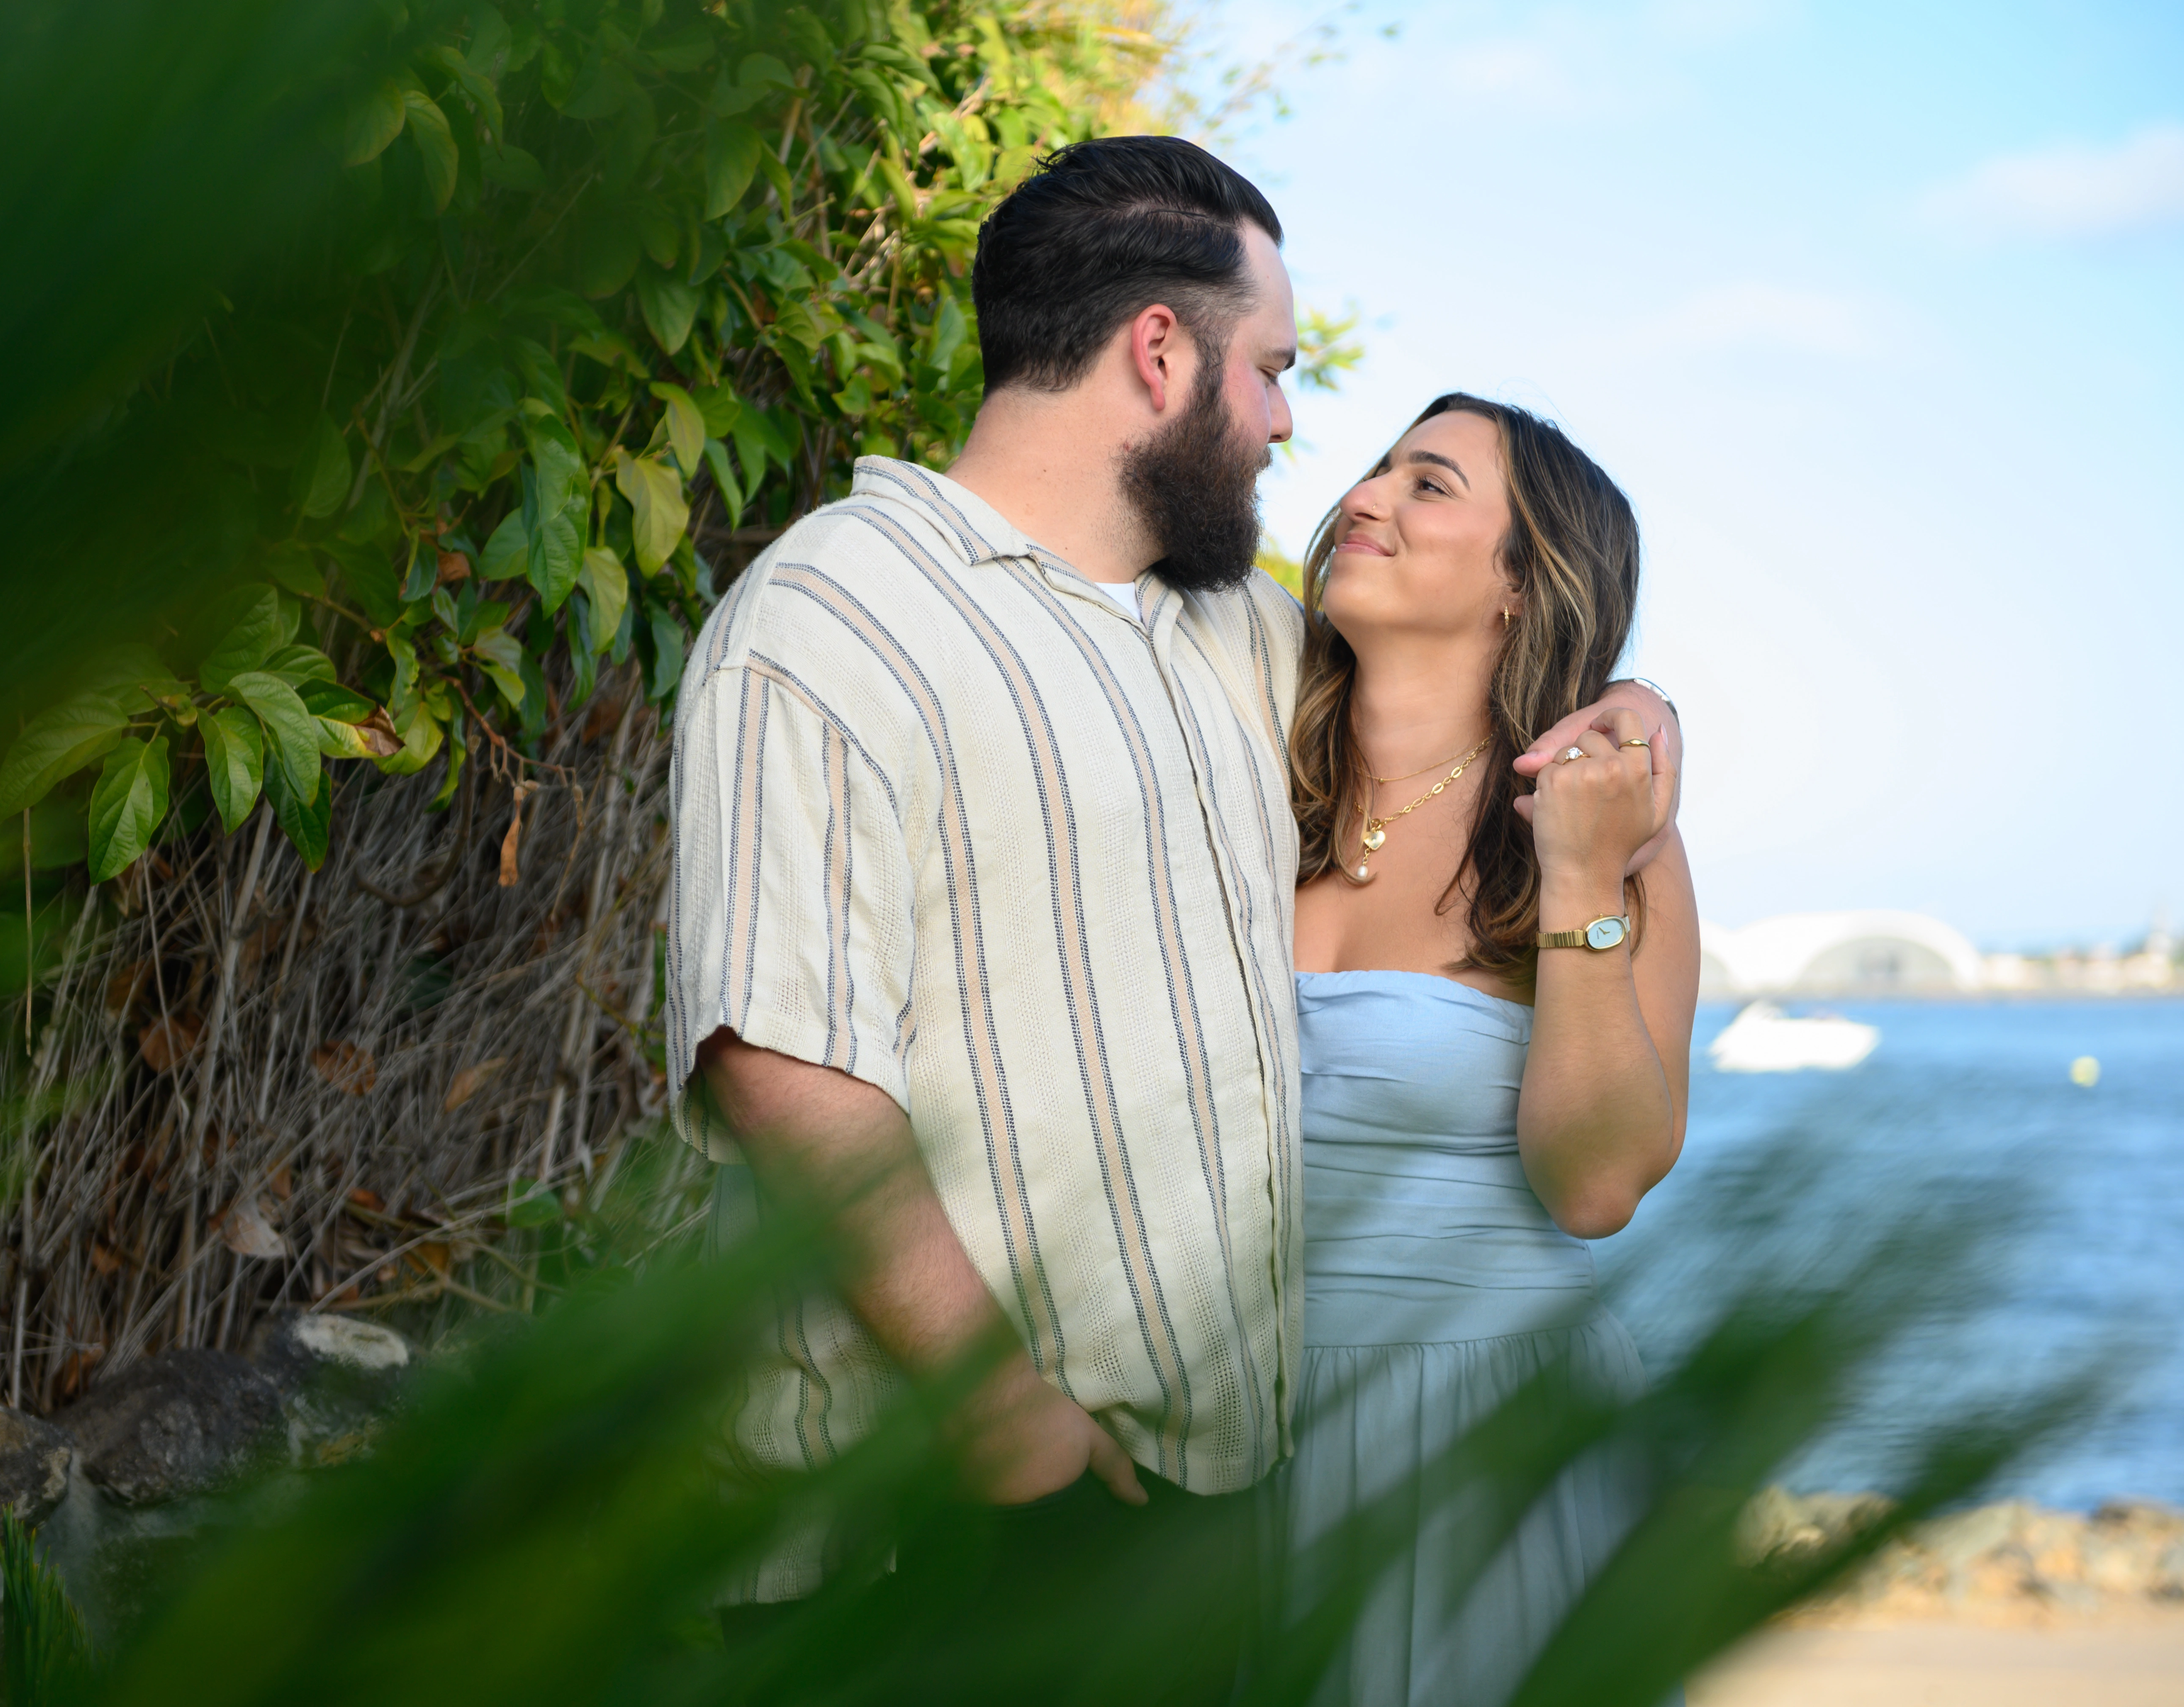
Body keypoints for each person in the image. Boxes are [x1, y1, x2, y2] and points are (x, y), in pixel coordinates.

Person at [662, 136, 1678, 1664]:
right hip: (926, 1504)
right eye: (1268, 370)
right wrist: (1003, 1415)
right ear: (1159, 354)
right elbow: (777, 1062)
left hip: (1202, 1505)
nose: (1291, 425)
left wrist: (1637, 711)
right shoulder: (831, 616)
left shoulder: (1228, 641)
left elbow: (1458, 701)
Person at [1279, 395, 1698, 1707]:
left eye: (1430, 485)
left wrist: (1579, 871)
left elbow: (1597, 1188)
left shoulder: (1616, 837)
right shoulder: (1233, 761)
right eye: (1377, 470)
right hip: (1225, 1421)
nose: (1366, 497)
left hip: (1488, 1438)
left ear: (1524, 586)